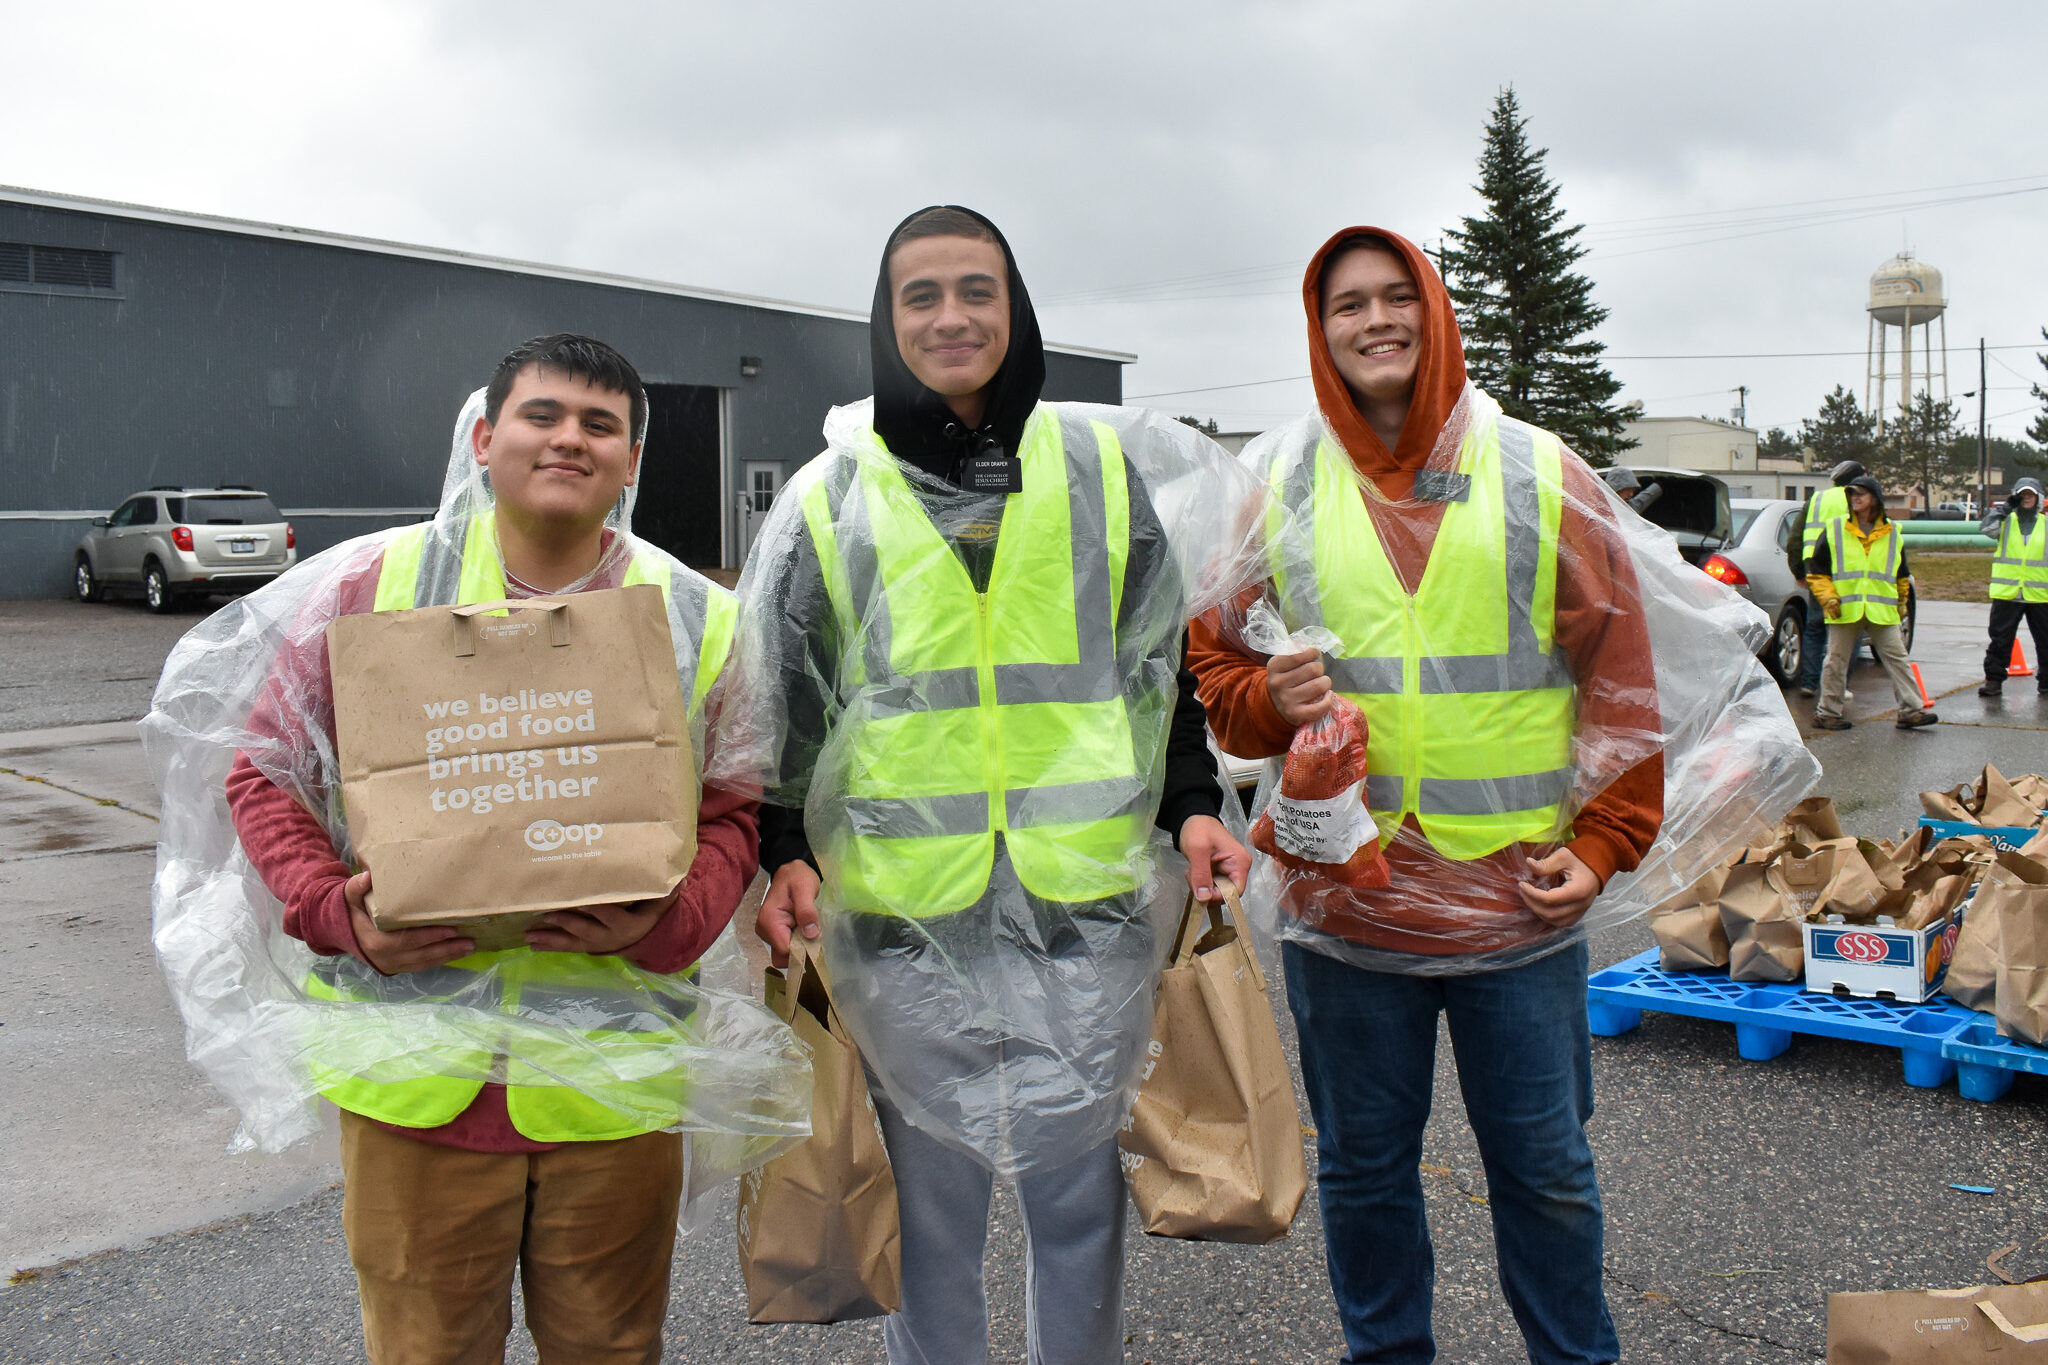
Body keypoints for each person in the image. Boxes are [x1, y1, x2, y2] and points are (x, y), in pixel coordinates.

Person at [726, 205, 1254, 1365]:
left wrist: (1195, 806)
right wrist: (782, 853)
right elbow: (782, 706)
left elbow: (1154, 673)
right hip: (903, 910)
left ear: (1014, 313)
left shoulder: (1098, 474)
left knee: (1078, 1210)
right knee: (931, 1220)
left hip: (1083, 897)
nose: (951, 316)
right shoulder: (829, 495)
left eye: (977, 290)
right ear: (886, 319)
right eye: (921, 295)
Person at [215, 335, 765, 1364]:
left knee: (608, 1349)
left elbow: (735, 802)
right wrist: (336, 914)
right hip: (417, 1079)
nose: (570, 440)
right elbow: (263, 771)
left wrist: (677, 922)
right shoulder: (375, 589)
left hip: (610, 1083)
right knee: (425, 1351)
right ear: (484, 436)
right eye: (543, 416)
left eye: (600, 425)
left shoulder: (694, 618)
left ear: (632, 459)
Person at [1188, 227, 1665, 1365]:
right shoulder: (1277, 482)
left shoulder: (1540, 472)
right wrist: (1269, 695)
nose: (1373, 321)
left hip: (1518, 904)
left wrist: (1602, 849)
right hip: (1344, 913)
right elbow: (1216, 681)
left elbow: (1624, 687)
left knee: (1545, 1176)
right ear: (1320, 330)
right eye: (1345, 305)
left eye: (1395, 296)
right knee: (1362, 1178)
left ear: (1434, 311)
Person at [1805, 474, 1935, 731]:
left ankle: (1910, 710)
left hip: (1881, 610)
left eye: (1860, 494)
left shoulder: (1893, 533)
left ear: (1874, 499)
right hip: (1844, 608)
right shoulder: (1834, 529)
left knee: (1898, 659)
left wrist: (1901, 603)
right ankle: (1828, 713)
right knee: (1835, 661)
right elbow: (1817, 571)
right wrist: (1828, 597)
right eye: (1852, 494)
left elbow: (1901, 574)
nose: (1855, 498)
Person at [1790, 460, 1865, 696]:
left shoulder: (1817, 499)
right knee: (1849, 628)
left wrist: (1798, 570)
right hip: (1847, 570)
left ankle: (1809, 683)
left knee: (1814, 627)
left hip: (1815, 569)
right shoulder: (1857, 499)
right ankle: (1839, 686)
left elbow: (1795, 536)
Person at [1978, 477, 2047, 697]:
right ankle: (1994, 681)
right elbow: (1985, 528)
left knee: (2046, 641)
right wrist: (2005, 508)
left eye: (2031, 494)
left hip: (2039, 594)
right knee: (2000, 640)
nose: (2027, 498)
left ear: (2039, 498)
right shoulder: (2006, 521)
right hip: (2007, 593)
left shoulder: (2046, 524)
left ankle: (2046, 682)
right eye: (2022, 494)